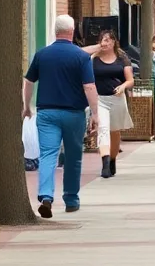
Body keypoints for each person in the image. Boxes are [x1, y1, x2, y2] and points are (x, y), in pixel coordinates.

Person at [23, 15, 100, 218]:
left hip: (47, 112)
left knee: (48, 154)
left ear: (55, 31)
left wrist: (26, 106)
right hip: (74, 114)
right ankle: (71, 199)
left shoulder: (42, 55)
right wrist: (95, 113)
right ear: (72, 31)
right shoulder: (81, 56)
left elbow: (29, 81)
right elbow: (89, 86)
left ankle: (46, 196)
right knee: (74, 157)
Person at [84, 30, 135, 179]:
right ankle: (105, 164)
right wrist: (96, 50)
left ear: (113, 42)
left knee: (115, 132)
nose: (105, 43)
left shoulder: (122, 58)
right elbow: (82, 56)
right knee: (103, 129)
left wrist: (123, 86)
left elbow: (130, 79)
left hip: (117, 99)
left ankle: (112, 160)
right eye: (102, 40)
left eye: (108, 40)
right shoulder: (94, 58)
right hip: (100, 99)